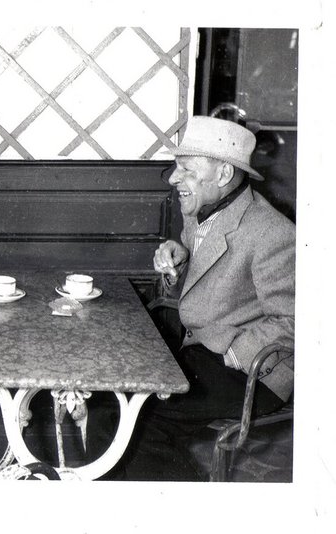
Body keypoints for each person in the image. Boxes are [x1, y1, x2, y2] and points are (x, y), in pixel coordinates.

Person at [87, 116, 295, 480]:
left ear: (224, 174)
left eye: (186, 168)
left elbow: (298, 320)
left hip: (252, 372)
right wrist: (180, 258)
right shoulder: (205, 213)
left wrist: (233, 354)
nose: (172, 178)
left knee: (139, 418)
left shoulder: (272, 233)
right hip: (201, 350)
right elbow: (210, 276)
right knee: (110, 404)